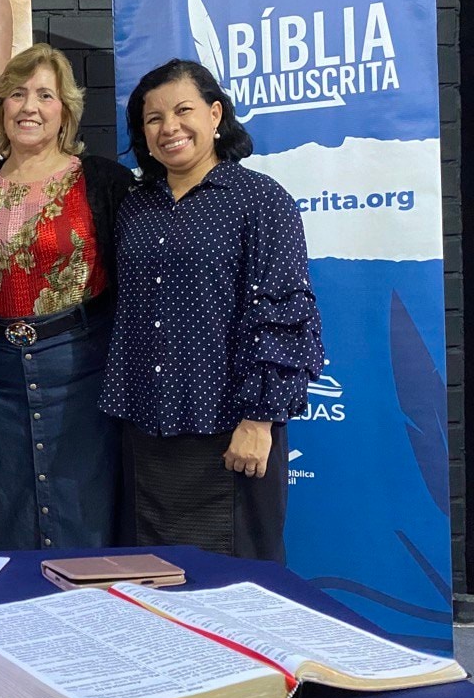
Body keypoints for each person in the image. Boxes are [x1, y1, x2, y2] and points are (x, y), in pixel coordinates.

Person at [99, 58, 323, 563]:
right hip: (146, 431)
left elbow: (285, 314)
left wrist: (259, 420)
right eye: (153, 118)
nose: (169, 128)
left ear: (215, 114)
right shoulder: (135, 207)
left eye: (183, 111)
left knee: (235, 583)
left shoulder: (261, 201)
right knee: (152, 582)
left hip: (230, 431)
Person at [0, 44, 133, 552]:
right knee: (1, 508)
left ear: (65, 111)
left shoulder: (103, 181)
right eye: (17, 94)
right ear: (0, 107)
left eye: (45, 95)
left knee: (84, 509)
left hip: (82, 368)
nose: (29, 106)